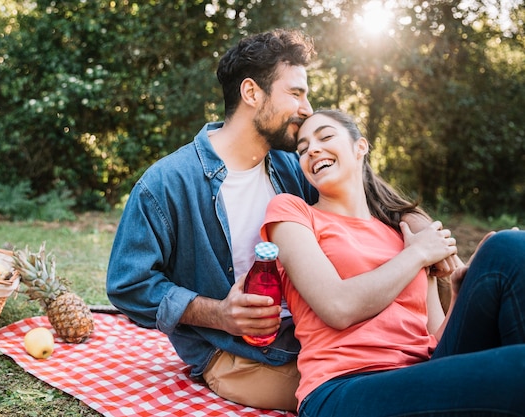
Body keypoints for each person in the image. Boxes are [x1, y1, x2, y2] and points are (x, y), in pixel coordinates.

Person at [107, 30, 446, 410]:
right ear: (252, 93)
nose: (307, 108)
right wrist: (218, 314)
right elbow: (128, 284)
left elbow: (381, 197)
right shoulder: (167, 183)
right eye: (296, 93)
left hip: (322, 333)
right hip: (238, 353)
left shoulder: (294, 164)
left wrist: (436, 245)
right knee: (402, 386)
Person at [261, 108, 525, 416]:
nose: (313, 150)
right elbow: (337, 307)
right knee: (518, 368)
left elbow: (434, 335)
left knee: (504, 247)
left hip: (422, 372)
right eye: (303, 149)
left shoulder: (402, 231)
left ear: (360, 147)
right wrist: (417, 255)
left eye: (326, 136)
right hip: (344, 387)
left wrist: (458, 292)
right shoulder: (293, 212)